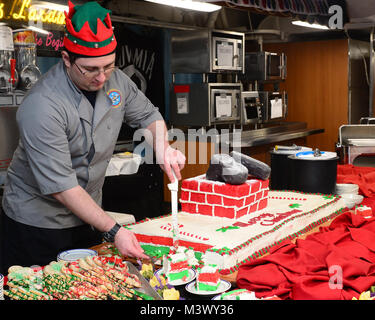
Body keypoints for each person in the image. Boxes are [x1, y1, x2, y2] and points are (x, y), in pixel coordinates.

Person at [0, 1, 185, 274]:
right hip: (37, 224)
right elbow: (63, 187)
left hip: (88, 217)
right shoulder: (42, 105)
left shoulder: (116, 80)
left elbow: (149, 115)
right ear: (66, 59)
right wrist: (114, 230)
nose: (102, 78)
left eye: (108, 66)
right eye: (91, 69)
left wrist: (163, 148)